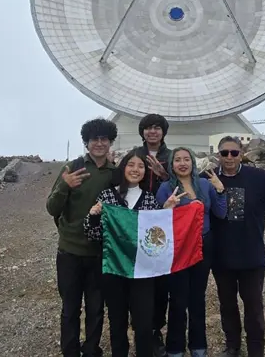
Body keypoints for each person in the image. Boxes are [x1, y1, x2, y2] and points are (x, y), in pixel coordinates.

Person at [205, 136, 265, 357]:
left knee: (253, 307)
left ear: (241, 154)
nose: (229, 157)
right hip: (221, 258)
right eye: (224, 153)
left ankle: (256, 350)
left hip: (251, 257)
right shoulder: (208, 178)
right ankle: (232, 346)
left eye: (234, 153)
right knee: (227, 305)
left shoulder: (258, 178)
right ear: (218, 155)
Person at [83, 150, 181, 357]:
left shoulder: (149, 199)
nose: (136, 169)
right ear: (123, 168)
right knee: (117, 322)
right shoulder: (107, 196)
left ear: (145, 172)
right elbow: (93, 235)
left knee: (144, 323)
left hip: (142, 273)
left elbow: (156, 235)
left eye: (141, 166)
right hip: (114, 270)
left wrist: (165, 210)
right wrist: (93, 216)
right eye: (131, 165)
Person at [46, 118, 118, 357]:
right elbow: (52, 208)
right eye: (94, 139)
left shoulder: (114, 174)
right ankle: (70, 350)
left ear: (110, 142)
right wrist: (64, 186)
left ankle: (91, 350)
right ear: (86, 142)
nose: (99, 143)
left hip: (100, 252)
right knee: (70, 308)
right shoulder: (72, 168)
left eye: (104, 139)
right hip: (70, 251)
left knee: (96, 308)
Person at [156, 147, 228, 357]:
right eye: (177, 160)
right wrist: (167, 207)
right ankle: (175, 348)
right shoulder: (165, 188)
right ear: (172, 165)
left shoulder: (205, 185)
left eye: (186, 159)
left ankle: (198, 346)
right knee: (178, 299)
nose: (182, 163)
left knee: (197, 297)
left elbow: (220, 213)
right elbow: (158, 223)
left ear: (193, 162)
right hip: (178, 248)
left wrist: (220, 191)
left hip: (203, 245)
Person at [134, 113, 172, 357]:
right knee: (138, 279)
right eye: (148, 128)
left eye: (157, 128)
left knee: (160, 282)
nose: (152, 132)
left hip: (163, 225)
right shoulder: (134, 155)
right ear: (142, 132)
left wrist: (163, 176)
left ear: (163, 132)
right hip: (136, 222)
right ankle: (140, 328)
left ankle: (156, 329)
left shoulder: (172, 156)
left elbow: (180, 183)